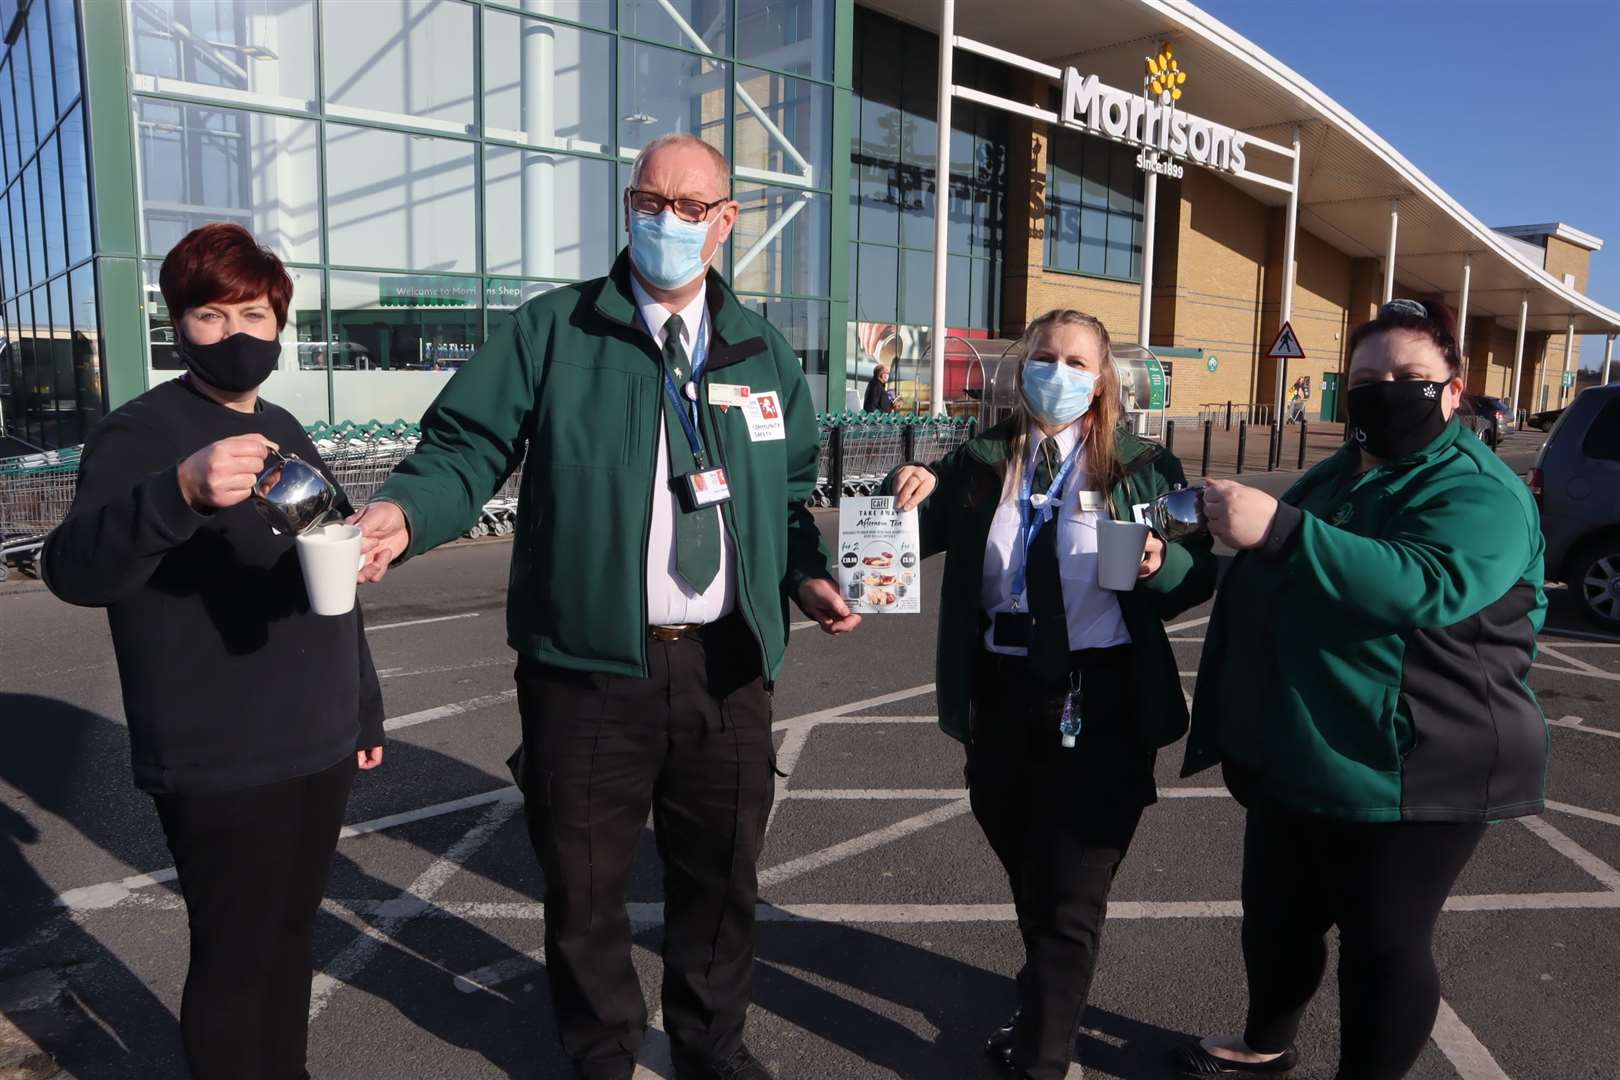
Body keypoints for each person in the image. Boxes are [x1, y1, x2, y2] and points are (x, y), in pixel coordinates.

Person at [351, 132, 856, 1080]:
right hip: (584, 671)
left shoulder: (762, 354)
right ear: (628, 206)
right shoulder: (554, 331)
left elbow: (787, 503)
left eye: (690, 207)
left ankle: (712, 1047)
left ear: (726, 222)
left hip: (726, 668)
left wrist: (807, 577)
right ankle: (601, 1054)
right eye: (649, 201)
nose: (666, 222)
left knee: (721, 885)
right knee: (584, 892)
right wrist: (405, 511)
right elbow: (465, 446)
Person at [41, 222, 385, 1080]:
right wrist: (180, 492)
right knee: (235, 954)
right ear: (178, 325)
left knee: (293, 936)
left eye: (256, 315)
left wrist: (364, 703)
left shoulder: (286, 427)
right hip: (219, 748)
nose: (237, 334)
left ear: (281, 324)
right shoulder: (142, 433)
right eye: (211, 315)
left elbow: (328, 561)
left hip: (319, 736)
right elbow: (72, 569)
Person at [1174, 299, 1548, 1078]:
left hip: (1418, 764)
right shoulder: (1340, 471)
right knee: (1277, 921)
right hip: (1307, 746)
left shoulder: (1480, 490)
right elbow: (1279, 573)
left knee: (1383, 946)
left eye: (1409, 377)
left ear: (1454, 388)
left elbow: (1428, 581)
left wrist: (1278, 528)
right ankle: (1264, 1044)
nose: (1386, 391)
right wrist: (1175, 562)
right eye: (1368, 377)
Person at [887, 309, 1215, 1080]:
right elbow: (896, 539)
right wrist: (903, 486)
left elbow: (1191, 579)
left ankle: (1043, 1058)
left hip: (1099, 696)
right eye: (1045, 357)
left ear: (1102, 380)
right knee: (1031, 875)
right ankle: (1042, 1000)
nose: (1058, 373)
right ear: (1022, 367)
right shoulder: (978, 461)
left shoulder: (1141, 467)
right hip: (1000, 694)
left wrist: (1162, 563)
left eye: (1075, 361)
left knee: (1072, 895)